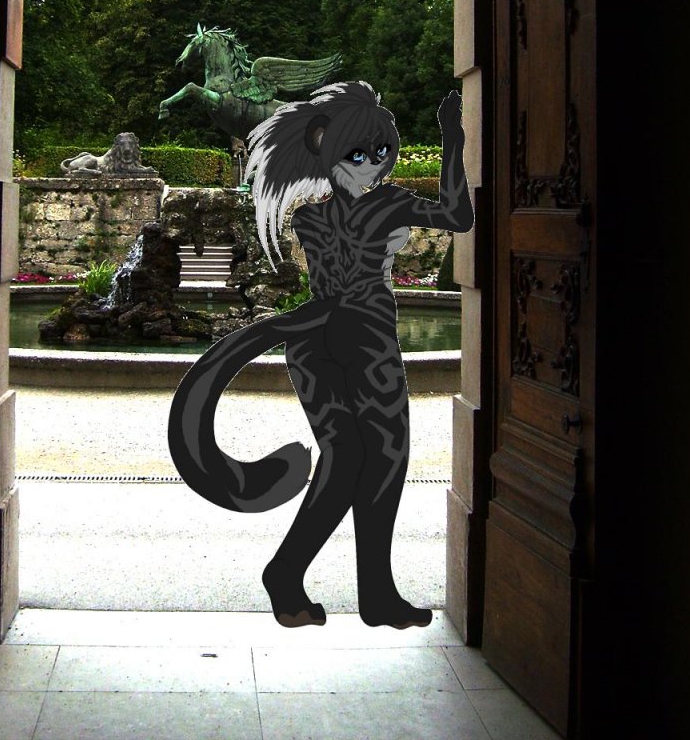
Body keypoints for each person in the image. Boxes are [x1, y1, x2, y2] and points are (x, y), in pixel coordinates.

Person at [168, 80, 473, 627]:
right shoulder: (389, 203)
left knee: (345, 458)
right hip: (366, 336)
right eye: (359, 154)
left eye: (381, 153)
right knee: (384, 458)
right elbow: (457, 214)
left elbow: (334, 281)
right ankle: (371, 594)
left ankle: (290, 575)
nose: (373, 164)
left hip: (310, 339)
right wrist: (453, 140)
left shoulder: (309, 218)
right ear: (324, 148)